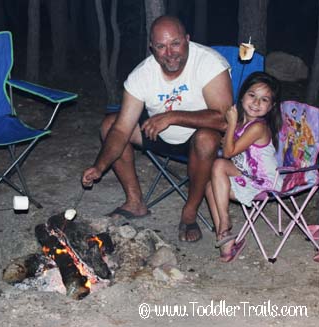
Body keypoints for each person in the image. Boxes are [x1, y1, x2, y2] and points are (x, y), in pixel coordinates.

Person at [81, 15, 233, 242]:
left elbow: (223, 120)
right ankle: (135, 203)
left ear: (187, 40)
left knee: (207, 139)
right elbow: (122, 130)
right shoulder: (141, 75)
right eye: (161, 46)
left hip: (198, 141)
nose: (170, 53)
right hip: (157, 134)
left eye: (175, 43)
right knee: (110, 124)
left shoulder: (210, 63)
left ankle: (189, 212)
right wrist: (99, 166)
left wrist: (172, 117)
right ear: (152, 47)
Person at [205, 72, 282, 262]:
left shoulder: (258, 127)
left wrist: (231, 124)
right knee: (210, 183)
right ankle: (226, 241)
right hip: (249, 175)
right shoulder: (241, 124)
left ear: (271, 106)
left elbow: (229, 152)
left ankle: (224, 222)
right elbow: (227, 149)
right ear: (242, 96)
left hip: (265, 182)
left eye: (264, 99)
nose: (256, 103)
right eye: (252, 95)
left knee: (219, 164)